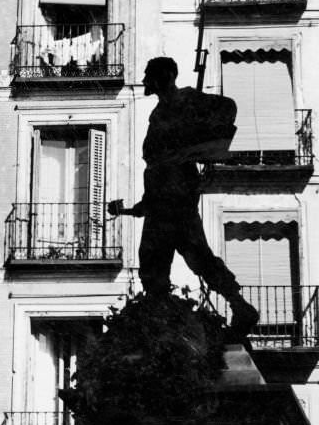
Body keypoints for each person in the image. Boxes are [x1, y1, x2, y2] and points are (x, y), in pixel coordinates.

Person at [108, 56, 259, 338]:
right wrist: (141, 205)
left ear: (165, 75)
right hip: (159, 201)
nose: (144, 80)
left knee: (190, 259)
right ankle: (161, 319)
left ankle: (239, 308)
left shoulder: (187, 100)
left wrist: (198, 146)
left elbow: (228, 108)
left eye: (149, 74)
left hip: (177, 201)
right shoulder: (158, 112)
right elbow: (155, 164)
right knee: (155, 263)